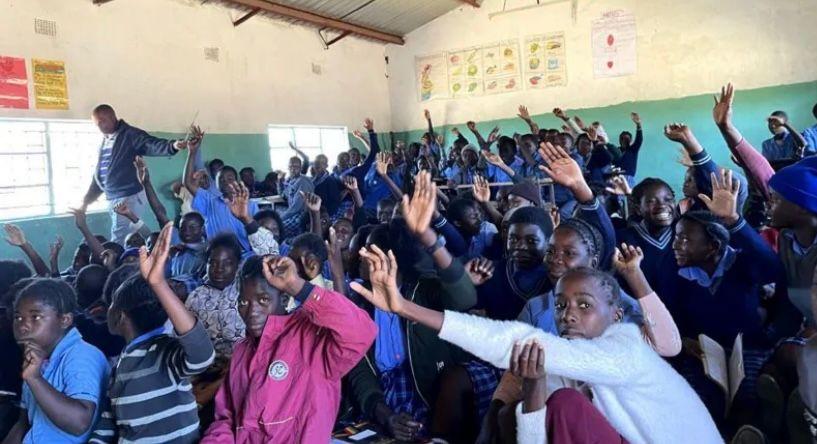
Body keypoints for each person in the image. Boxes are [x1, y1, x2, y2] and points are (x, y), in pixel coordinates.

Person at [353, 246, 721, 443]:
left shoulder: (625, 347)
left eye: (585, 306)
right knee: (550, 406)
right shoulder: (565, 359)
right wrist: (533, 389)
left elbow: (510, 339)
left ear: (617, 315)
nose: (569, 316)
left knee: (564, 405)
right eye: (561, 306)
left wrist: (405, 308)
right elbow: (535, 439)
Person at [201, 255, 376, 443]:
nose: (251, 312)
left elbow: (362, 331)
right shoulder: (242, 351)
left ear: (284, 299)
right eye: (244, 302)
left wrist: (298, 287)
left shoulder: (311, 337)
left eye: (263, 300)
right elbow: (227, 417)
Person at [89, 223, 215, 443]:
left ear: (120, 316)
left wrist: (159, 284)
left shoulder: (161, 353)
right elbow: (110, 421)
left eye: (109, 304)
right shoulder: (122, 364)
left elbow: (202, 355)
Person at [4, 279, 109, 443]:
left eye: (35, 317)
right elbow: (23, 424)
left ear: (65, 320)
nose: (23, 326)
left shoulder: (82, 356)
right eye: (18, 318)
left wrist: (34, 378)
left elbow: (80, 423)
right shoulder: (38, 360)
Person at [79, 104, 200, 243]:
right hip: (114, 197)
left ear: (112, 118)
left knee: (118, 239)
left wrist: (172, 146)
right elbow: (100, 176)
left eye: (102, 122)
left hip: (128, 195)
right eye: (96, 124)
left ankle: (119, 263)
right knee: (126, 238)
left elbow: (150, 144)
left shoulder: (129, 135)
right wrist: (86, 201)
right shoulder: (106, 140)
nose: (99, 127)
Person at [183, 135, 259, 255]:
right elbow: (188, 182)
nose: (225, 181)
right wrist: (192, 153)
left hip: (245, 255)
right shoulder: (209, 202)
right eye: (221, 179)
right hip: (217, 256)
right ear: (216, 184)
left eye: (230, 178)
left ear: (237, 181)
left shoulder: (251, 205)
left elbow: (258, 233)